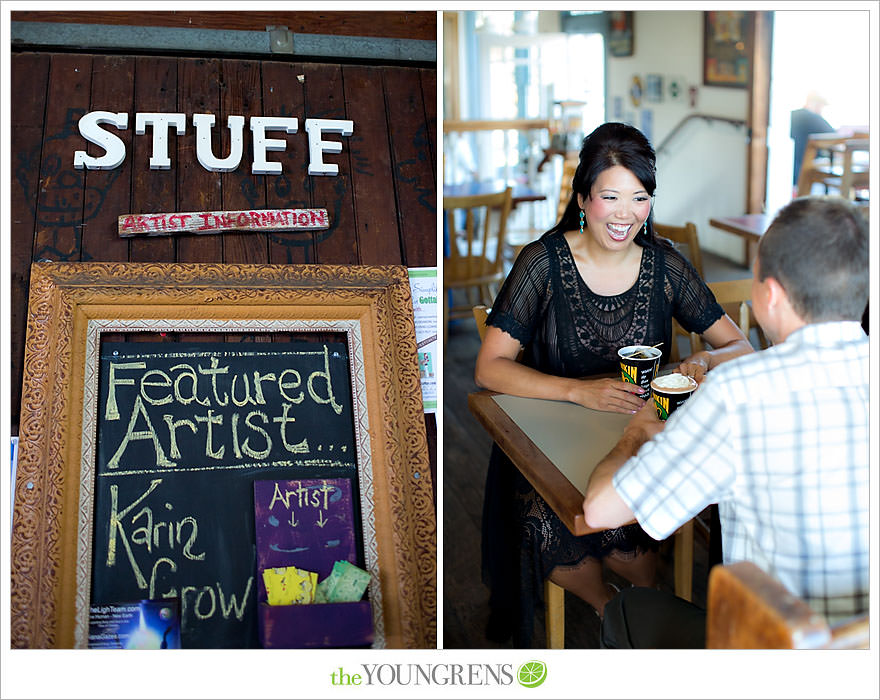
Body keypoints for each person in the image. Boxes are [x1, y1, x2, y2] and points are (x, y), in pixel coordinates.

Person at [475, 122, 753, 646]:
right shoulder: (542, 261)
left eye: (640, 198)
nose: (626, 214)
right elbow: (489, 367)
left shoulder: (666, 265)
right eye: (610, 197)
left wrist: (698, 364)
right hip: (548, 436)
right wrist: (578, 390)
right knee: (546, 523)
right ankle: (610, 609)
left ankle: (638, 610)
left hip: (640, 433)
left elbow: (739, 345)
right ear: (583, 197)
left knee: (635, 530)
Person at [582, 195, 869, 648]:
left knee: (627, 609)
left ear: (769, 294)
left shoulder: (741, 391)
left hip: (776, 657)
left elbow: (599, 509)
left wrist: (637, 431)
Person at [790, 91, 834, 191]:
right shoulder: (813, 117)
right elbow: (835, 138)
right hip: (804, 173)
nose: (821, 110)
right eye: (821, 106)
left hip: (791, 171)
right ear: (815, 104)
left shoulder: (793, 114)